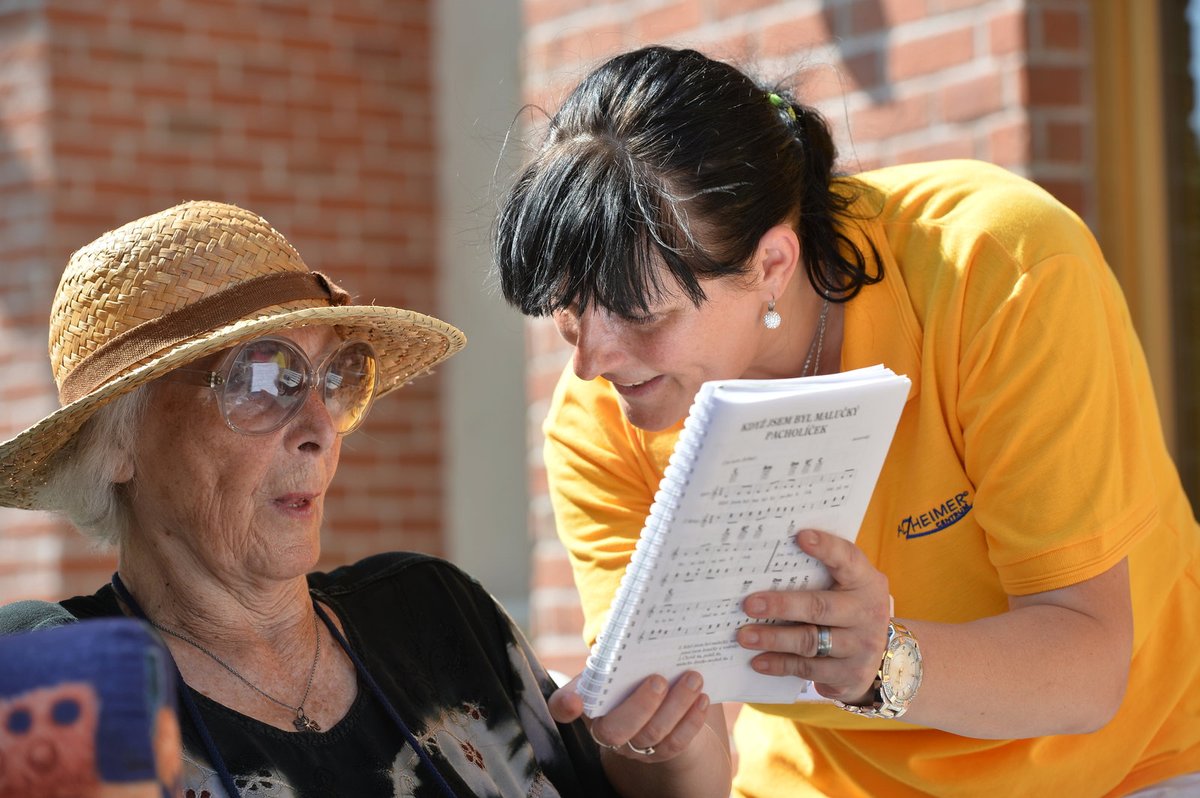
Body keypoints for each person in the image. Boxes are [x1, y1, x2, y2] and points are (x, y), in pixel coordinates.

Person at [492, 45, 1200, 797]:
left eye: (642, 316)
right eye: (569, 311)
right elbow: (692, 770)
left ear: (771, 263)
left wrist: (880, 661)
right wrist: (656, 738)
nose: (592, 364)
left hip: (1130, 763)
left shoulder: (994, 271)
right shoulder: (601, 420)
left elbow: (1089, 670)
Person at [0, 200, 731, 798]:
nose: (320, 428)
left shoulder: (436, 612)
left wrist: (667, 751)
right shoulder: (64, 692)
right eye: (263, 379)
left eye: (337, 377)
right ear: (118, 441)